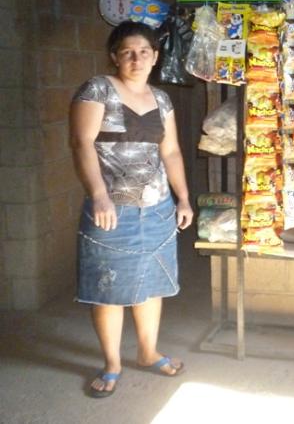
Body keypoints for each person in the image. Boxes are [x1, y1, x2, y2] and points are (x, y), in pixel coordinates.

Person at [69, 21, 194, 398]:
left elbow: (171, 151)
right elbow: (81, 143)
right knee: (108, 289)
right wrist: (98, 195)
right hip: (111, 210)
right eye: (127, 52)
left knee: (151, 284)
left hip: (157, 208)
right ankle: (112, 364)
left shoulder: (162, 99)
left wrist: (183, 197)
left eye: (144, 52)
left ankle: (147, 352)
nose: (136, 59)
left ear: (155, 57)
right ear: (115, 57)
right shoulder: (97, 89)